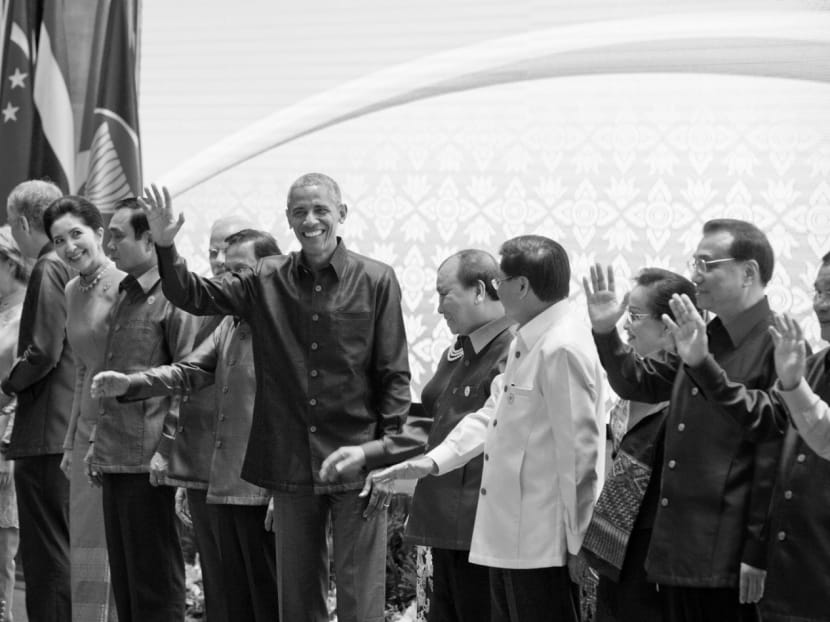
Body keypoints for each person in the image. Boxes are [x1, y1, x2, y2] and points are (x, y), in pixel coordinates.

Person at [140, 175, 417, 622]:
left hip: (356, 457)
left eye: (320, 210)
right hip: (290, 460)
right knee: (296, 602)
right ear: (288, 219)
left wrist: (386, 457)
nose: (310, 220)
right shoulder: (266, 277)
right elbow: (193, 295)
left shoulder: (376, 279)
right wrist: (166, 247)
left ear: (341, 214)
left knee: (359, 600)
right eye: (300, 212)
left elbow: (393, 374)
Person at [368, 235, 606, 622]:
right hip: (509, 537)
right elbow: (490, 417)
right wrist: (430, 462)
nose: (496, 289)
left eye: (502, 281)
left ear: (523, 286)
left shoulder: (560, 346)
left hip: (543, 542)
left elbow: (581, 456)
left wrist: (580, 540)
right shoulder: (527, 341)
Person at [584, 218, 782, 622]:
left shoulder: (778, 342)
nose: (695, 276)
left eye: (708, 264)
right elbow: (639, 382)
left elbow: (772, 442)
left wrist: (756, 551)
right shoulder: (705, 335)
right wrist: (606, 332)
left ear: (749, 272)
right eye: (695, 262)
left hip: (731, 555)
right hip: (678, 547)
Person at [91, 229, 281, 622]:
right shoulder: (230, 323)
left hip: (266, 490)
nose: (230, 281)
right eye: (226, 271)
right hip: (225, 486)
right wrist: (132, 383)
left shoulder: (287, 327)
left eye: (241, 271)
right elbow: (189, 371)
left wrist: (284, 488)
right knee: (231, 603)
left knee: (270, 602)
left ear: (272, 270)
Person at [660, 251, 830, 622]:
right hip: (792, 570)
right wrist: (703, 365)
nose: (820, 304)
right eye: (817, 292)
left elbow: (811, 440)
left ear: (749, 273)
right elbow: (764, 419)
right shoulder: (813, 365)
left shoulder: (783, 354)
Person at [87, 198, 200, 622]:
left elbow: (187, 378)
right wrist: (97, 443)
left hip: (150, 460)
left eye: (117, 236)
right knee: (128, 583)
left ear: (149, 240)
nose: (108, 246)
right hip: (116, 455)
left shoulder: (176, 294)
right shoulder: (126, 292)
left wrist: (167, 450)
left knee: (155, 582)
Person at [579, 268, 696, 622]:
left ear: (668, 325)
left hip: (658, 551)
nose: (626, 326)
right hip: (615, 549)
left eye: (633, 317)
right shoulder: (628, 394)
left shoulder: (690, 386)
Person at [401, 249, 512, 622]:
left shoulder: (514, 348)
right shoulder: (462, 345)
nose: (437, 307)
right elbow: (437, 412)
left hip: (476, 524)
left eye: (444, 294)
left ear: (479, 291)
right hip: (440, 515)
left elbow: (484, 428)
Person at [164, 215, 255, 622]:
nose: (218, 261)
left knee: (248, 587)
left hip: (249, 472)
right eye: (213, 251)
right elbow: (184, 379)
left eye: (230, 252)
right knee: (217, 580)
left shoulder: (265, 310)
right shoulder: (198, 307)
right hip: (201, 460)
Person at [43, 197, 124, 622]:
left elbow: (131, 368)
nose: (70, 246)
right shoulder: (73, 290)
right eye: (59, 240)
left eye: (77, 234)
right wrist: (70, 441)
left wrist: (98, 438)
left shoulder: (127, 284)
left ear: (98, 231)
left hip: (122, 431)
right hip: (83, 434)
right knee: (87, 545)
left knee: (120, 549)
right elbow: (79, 371)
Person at [2, 180, 73, 622]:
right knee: (58, 551)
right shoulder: (68, 262)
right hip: (61, 426)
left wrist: (9, 383)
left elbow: (43, 351)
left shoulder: (48, 266)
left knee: (47, 557)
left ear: (26, 223)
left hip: (45, 428)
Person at [0, 226, 29, 621]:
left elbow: (27, 387)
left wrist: (8, 450)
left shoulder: (27, 315)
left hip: (5, 447)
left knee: (1, 549)